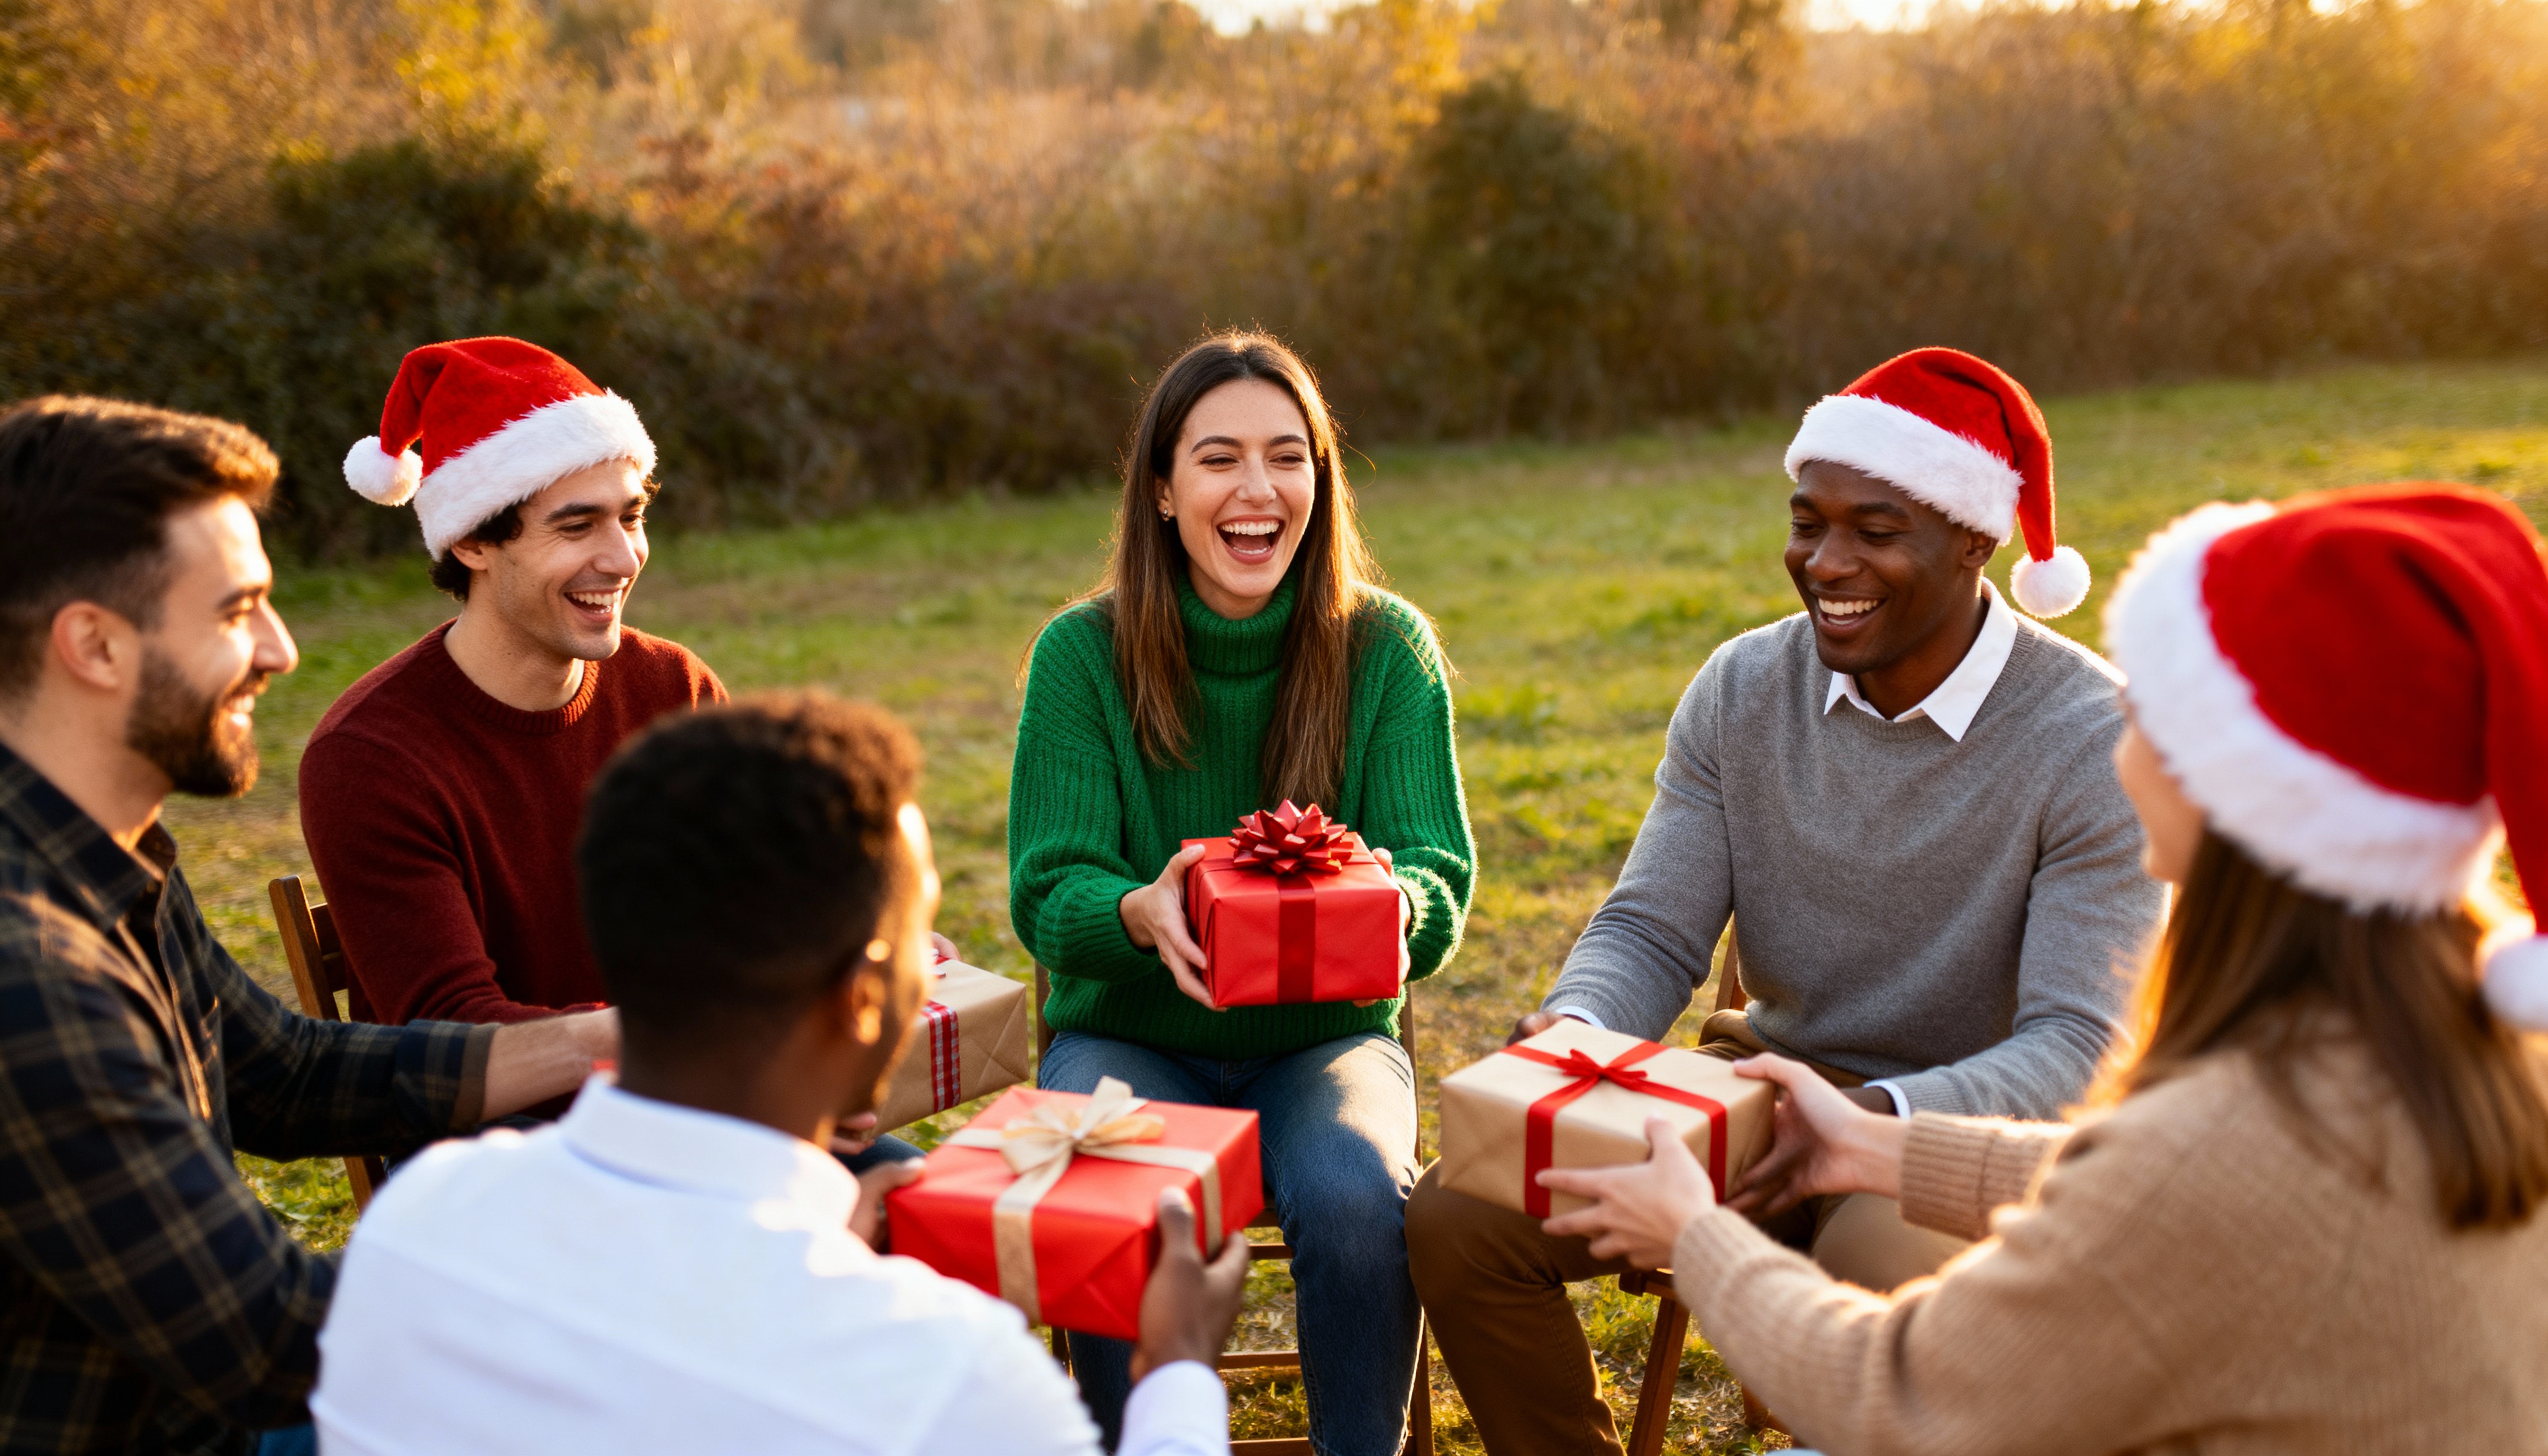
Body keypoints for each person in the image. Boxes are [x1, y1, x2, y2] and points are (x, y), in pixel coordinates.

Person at [1540, 482, 2548, 1452]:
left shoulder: (2234, 1121)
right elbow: (2169, 1186)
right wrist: (1878, 1148)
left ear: (2230, 781)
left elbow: (1901, 1403)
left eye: (2153, 710)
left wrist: (1696, 1237)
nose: (2117, 733)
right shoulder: (2465, 1056)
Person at [1405, 347, 2166, 1454]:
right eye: (1809, 523)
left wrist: (1866, 1126)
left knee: (1878, 1270)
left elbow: (2077, 1047)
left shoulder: (2093, 739)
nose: (1826, 561)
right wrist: (1576, 1032)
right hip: (1753, 1098)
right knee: (1460, 1214)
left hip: (1951, 1139)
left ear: (1974, 539)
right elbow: (1651, 927)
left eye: (1875, 530)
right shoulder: (1743, 687)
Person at [311, 691, 1252, 1454]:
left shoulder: (413, 1227)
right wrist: (1176, 1371)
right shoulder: (950, 1376)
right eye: (919, 941)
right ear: (865, 997)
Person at [0, 397, 617, 1456]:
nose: (281, 650)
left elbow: (285, 1075)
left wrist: (604, 1043)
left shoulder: (102, 856)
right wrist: (670, 1244)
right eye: (237, 611)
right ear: (94, 645)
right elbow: (274, 1337)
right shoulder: (30, 973)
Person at [1008, 332, 1473, 1453]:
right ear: (1163, 491)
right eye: (1219, 459)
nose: (1258, 489)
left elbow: (1437, 875)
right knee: (1116, 1202)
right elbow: (1048, 887)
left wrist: (1385, 904)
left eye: (1287, 456)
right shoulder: (1081, 655)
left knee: (1359, 1201)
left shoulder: (1386, 648)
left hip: (1325, 1044)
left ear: (1322, 478)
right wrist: (1136, 912)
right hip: (1133, 1038)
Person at [297, 336, 726, 1034]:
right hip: (514, 1107)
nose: (623, 558)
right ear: (473, 541)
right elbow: (455, 1033)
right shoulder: (370, 758)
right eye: (578, 526)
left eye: (631, 517)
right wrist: (698, 1043)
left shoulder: (676, 691)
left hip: (701, 1081)